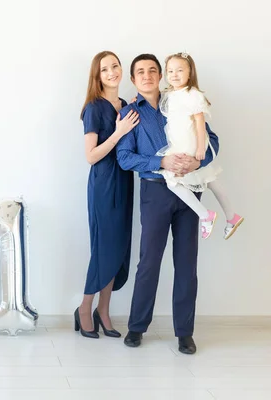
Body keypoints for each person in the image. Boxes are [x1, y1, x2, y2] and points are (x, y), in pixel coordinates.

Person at [116, 54, 220, 355]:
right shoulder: (130, 114)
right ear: (133, 80)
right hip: (155, 193)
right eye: (140, 72)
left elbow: (212, 140)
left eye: (152, 70)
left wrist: (197, 160)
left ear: (160, 75)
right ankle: (136, 327)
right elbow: (125, 158)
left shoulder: (179, 100)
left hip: (190, 191)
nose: (147, 76)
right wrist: (160, 160)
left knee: (187, 264)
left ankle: (184, 333)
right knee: (149, 262)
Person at [75, 51, 139, 339]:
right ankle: (85, 308)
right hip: (104, 183)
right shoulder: (94, 108)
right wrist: (118, 131)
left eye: (115, 66)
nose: (112, 72)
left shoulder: (125, 105)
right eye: (105, 69)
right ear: (97, 76)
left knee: (119, 246)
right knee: (103, 247)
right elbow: (91, 156)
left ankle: (104, 310)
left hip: (124, 180)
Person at [156, 52, 243, 239]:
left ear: (190, 72)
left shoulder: (192, 94)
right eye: (170, 71)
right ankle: (231, 216)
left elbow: (199, 121)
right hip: (178, 142)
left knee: (172, 181)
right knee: (209, 178)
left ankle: (206, 215)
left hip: (189, 142)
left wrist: (201, 147)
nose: (174, 74)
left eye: (180, 70)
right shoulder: (169, 94)